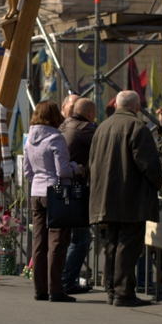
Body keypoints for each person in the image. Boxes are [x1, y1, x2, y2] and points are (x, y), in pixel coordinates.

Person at [89, 90, 162, 307]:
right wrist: (158, 182)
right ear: (137, 107)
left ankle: (112, 290)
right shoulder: (137, 126)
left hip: (104, 196)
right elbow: (149, 164)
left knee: (111, 243)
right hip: (130, 197)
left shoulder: (102, 127)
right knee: (128, 245)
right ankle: (123, 293)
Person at [24, 100, 83, 303]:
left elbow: (27, 171)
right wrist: (77, 167)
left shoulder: (30, 139)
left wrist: (39, 181)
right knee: (57, 242)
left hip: (36, 192)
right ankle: (55, 289)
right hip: (56, 193)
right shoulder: (55, 138)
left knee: (39, 242)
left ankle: (39, 288)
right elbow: (63, 170)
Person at [59, 97, 97, 295]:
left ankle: (62, 279)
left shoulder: (64, 125)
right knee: (81, 239)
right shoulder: (85, 128)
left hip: (63, 189)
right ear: (90, 114)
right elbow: (104, 143)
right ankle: (67, 280)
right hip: (76, 189)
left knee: (68, 238)